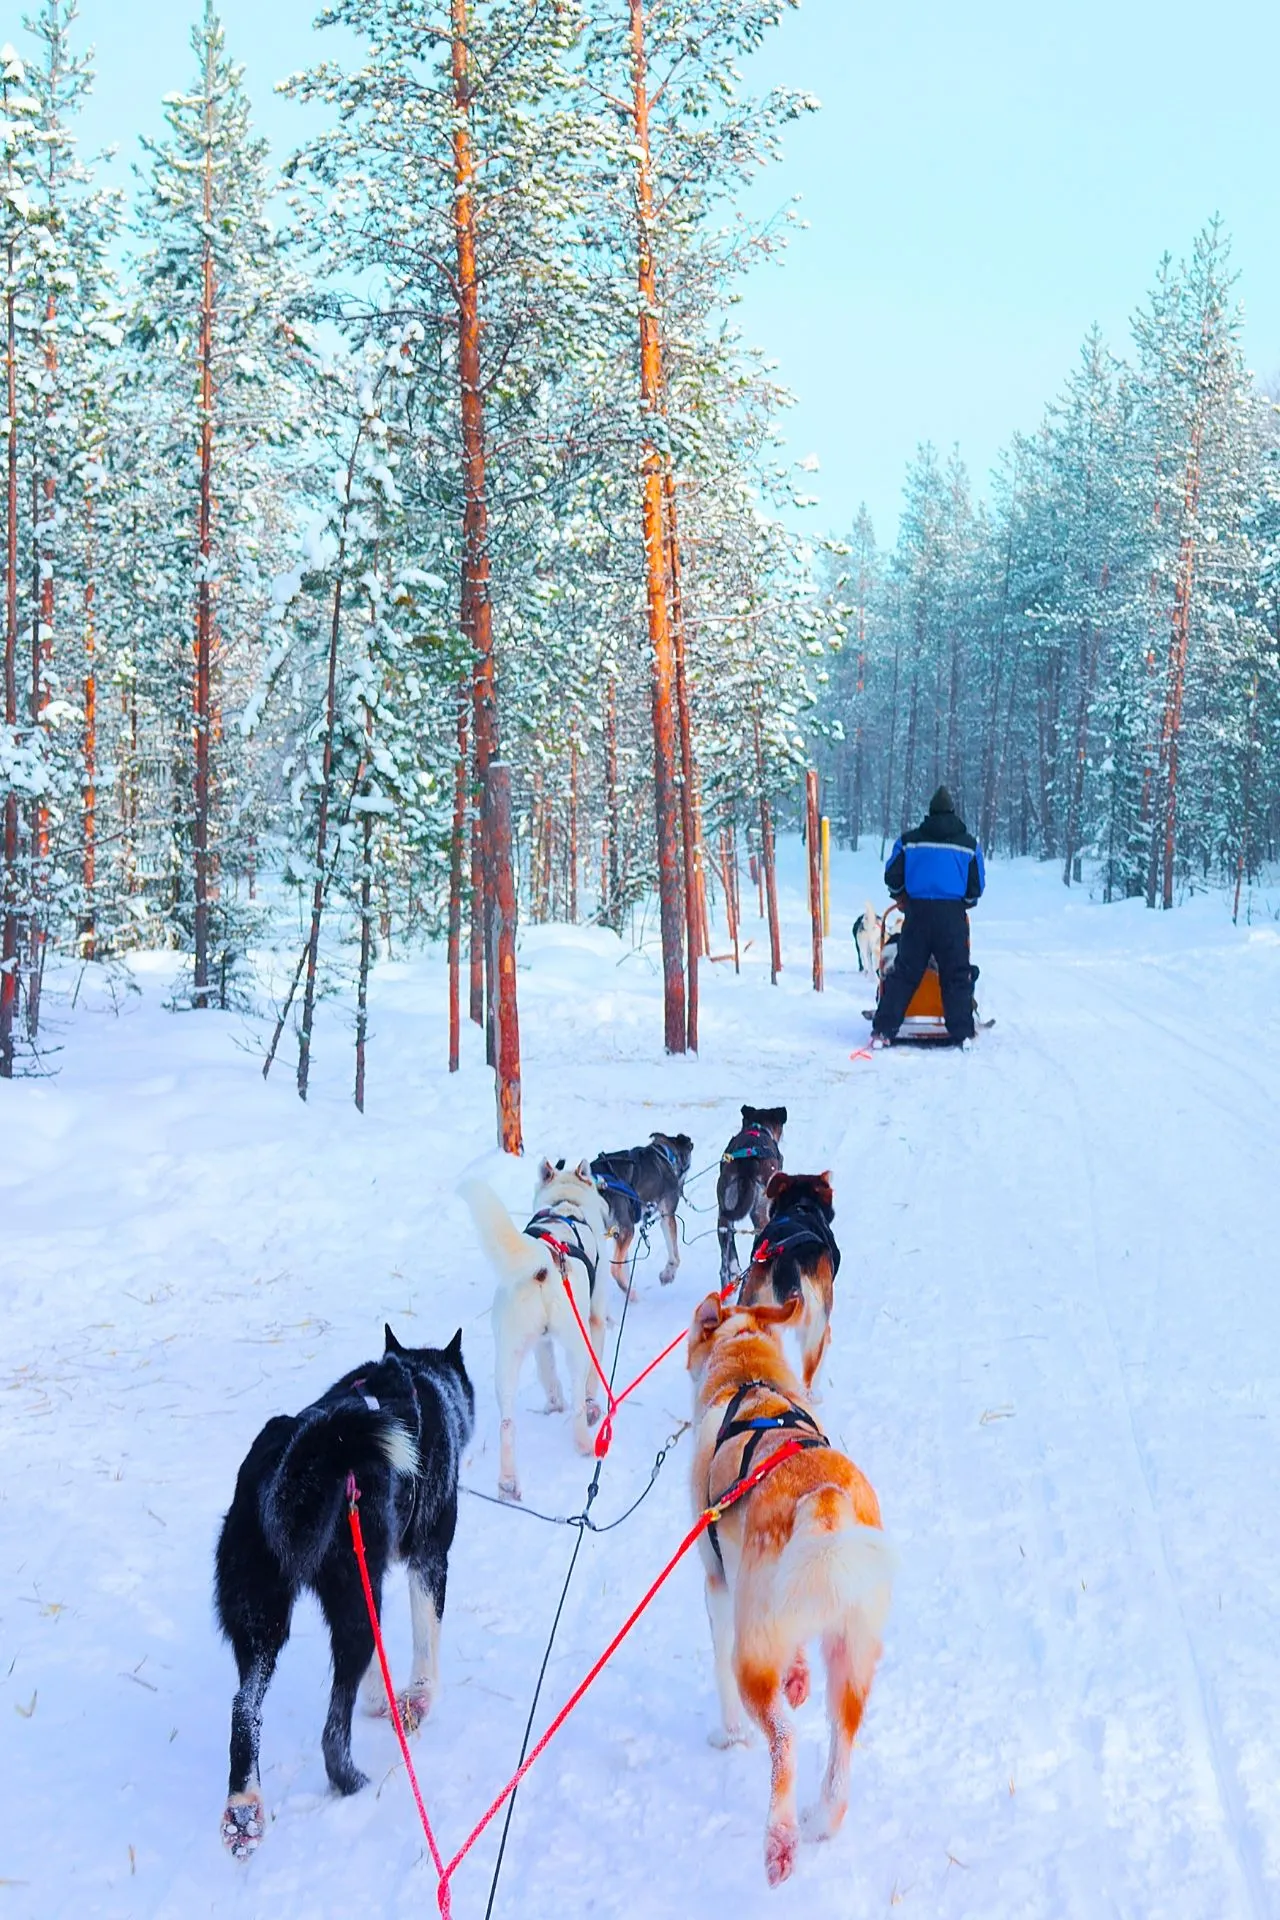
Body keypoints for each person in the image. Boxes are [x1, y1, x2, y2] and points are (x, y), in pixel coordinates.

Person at [872, 785, 985, 1046]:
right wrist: (962, 903)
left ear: (930, 813)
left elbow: (892, 875)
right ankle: (962, 1032)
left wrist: (902, 897)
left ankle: (884, 1030)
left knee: (906, 971)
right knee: (956, 973)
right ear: (953, 812)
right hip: (952, 916)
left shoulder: (909, 841)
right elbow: (975, 887)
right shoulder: (969, 845)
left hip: (918, 913)